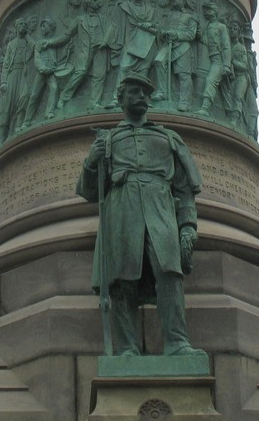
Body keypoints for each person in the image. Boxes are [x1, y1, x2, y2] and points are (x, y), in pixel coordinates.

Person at [76, 74, 205, 357]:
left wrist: (188, 225)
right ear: (120, 100)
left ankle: (177, 342)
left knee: (169, 272)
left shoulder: (168, 138)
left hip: (160, 206)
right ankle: (127, 347)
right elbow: (87, 191)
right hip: (123, 208)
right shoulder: (108, 140)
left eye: (146, 93)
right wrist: (92, 161)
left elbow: (185, 189)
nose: (142, 97)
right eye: (134, 92)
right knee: (123, 279)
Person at [195, 3, 232, 116]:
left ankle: (205, 108)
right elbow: (206, 41)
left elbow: (226, 46)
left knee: (211, 80)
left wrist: (226, 65)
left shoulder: (221, 27)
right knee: (224, 90)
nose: (206, 12)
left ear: (215, 11)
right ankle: (230, 111)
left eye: (209, 10)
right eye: (205, 10)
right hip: (210, 59)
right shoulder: (208, 26)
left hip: (219, 60)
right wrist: (199, 36)